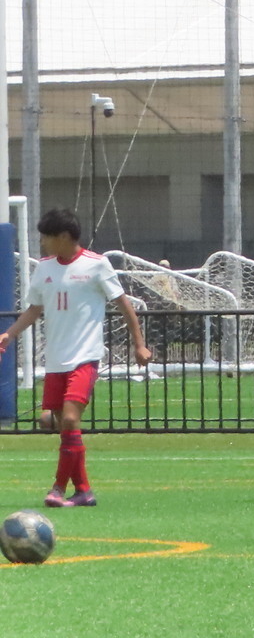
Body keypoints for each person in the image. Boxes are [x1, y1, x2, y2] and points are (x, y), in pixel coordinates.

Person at [0, 208, 152, 507]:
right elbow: (34, 309)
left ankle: (57, 488)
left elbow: (125, 306)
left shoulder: (97, 265)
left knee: (69, 419)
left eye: (46, 237)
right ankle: (83, 490)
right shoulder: (44, 268)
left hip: (85, 356)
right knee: (63, 424)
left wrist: (139, 345)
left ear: (65, 237)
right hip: (55, 360)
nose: (42, 242)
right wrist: (8, 334)